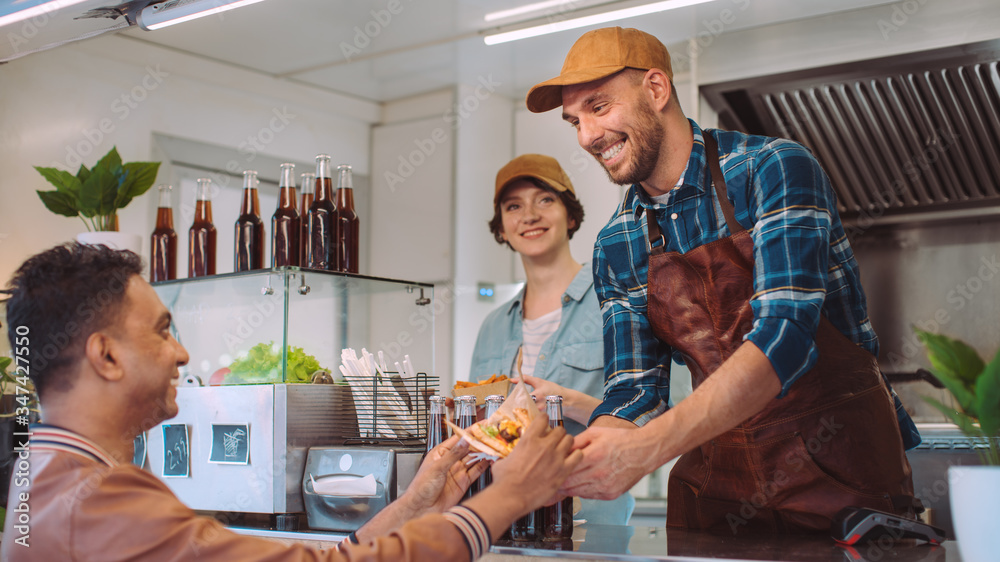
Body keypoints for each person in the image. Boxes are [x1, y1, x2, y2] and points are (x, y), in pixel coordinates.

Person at [524, 27, 921, 533]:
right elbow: (635, 389)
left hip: (843, 474)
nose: (586, 136)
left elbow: (786, 337)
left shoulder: (772, 168)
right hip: (721, 489)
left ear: (656, 89)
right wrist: (587, 457)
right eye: (574, 121)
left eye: (599, 108)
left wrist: (646, 449)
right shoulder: (617, 242)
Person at [2, 242, 581, 561]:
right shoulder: (102, 501)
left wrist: (417, 502)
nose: (181, 354)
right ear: (105, 356)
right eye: (160, 331)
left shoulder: (43, 471)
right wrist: (506, 499)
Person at [469, 154, 633, 525]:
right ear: (501, 229)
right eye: (514, 206)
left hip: (591, 519)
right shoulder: (492, 326)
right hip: (504, 516)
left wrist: (572, 404)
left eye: (545, 200)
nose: (529, 215)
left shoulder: (616, 302)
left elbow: (658, 421)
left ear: (571, 215)